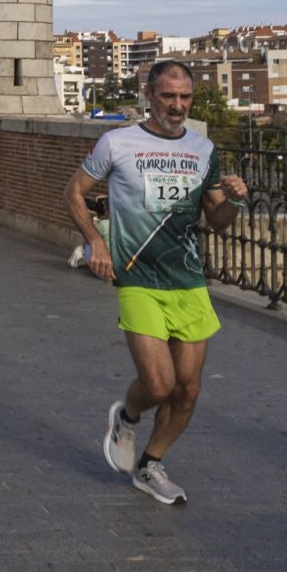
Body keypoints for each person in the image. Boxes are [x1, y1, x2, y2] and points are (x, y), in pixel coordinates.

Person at [64, 59, 249, 506]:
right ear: (149, 95)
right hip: (138, 276)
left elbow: (217, 218)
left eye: (185, 97)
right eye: (168, 96)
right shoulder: (117, 142)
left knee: (189, 388)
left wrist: (237, 201)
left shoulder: (203, 149)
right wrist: (95, 243)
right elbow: (74, 192)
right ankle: (127, 417)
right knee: (160, 385)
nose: (177, 106)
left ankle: (150, 464)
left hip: (187, 279)